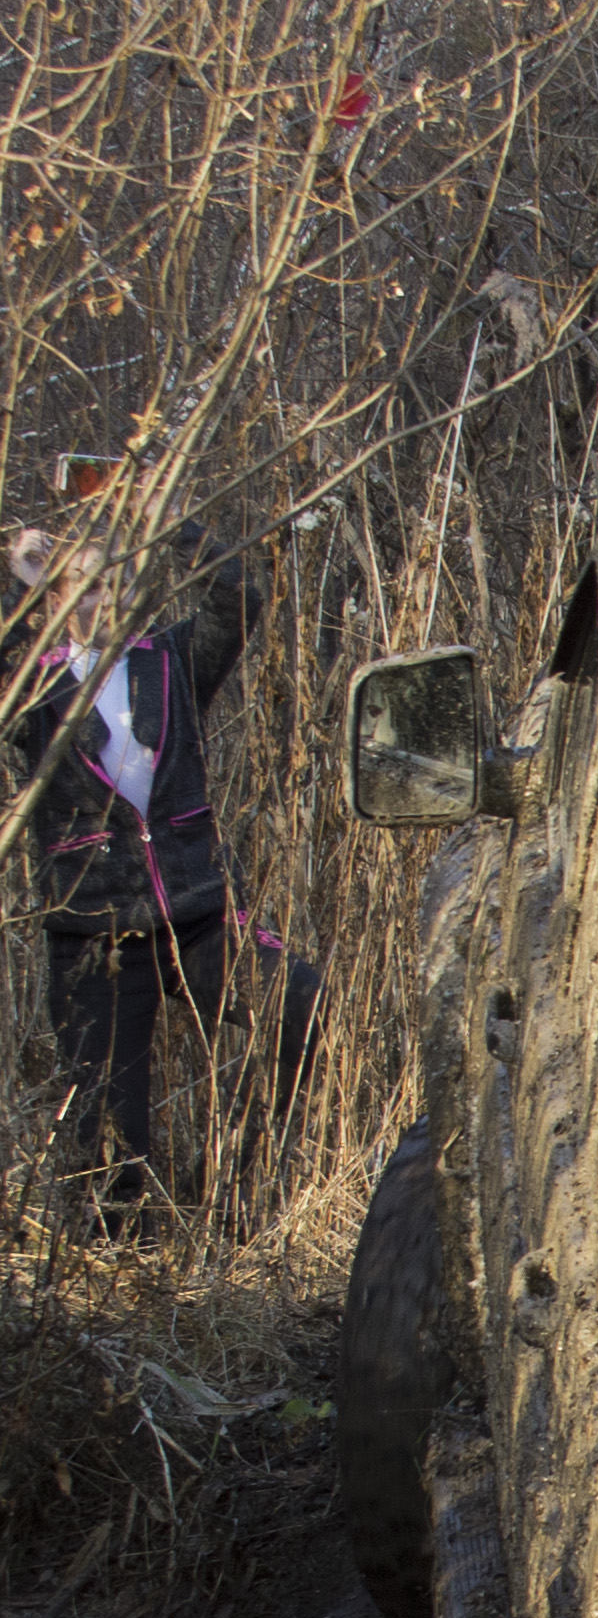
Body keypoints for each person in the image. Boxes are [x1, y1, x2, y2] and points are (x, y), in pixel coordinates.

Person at [3, 518, 323, 1219]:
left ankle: (231, 1189)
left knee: (301, 1002)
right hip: (96, 937)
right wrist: (21, 591)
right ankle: (118, 1262)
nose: (108, 598)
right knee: (107, 1149)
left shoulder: (169, 661)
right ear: (59, 594)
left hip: (195, 916)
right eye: (88, 585)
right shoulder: (34, 686)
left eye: (120, 581)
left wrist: (176, 526)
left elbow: (239, 595)